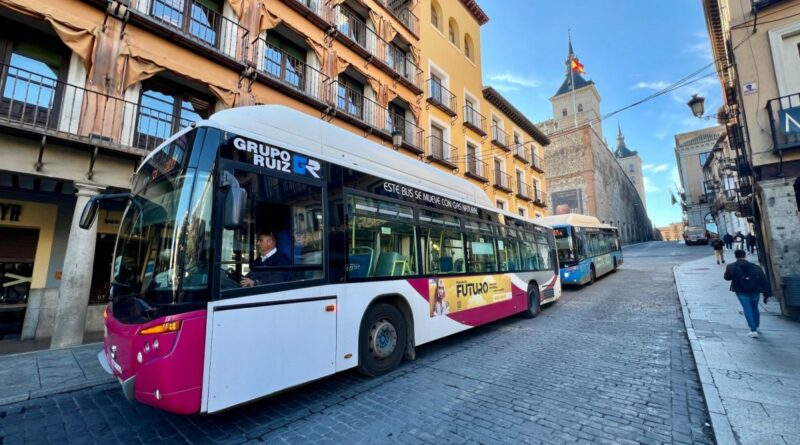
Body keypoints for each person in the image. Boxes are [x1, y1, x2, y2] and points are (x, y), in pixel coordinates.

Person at [724, 250, 770, 337]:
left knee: (747, 308)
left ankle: (753, 330)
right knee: (754, 307)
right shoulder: (756, 266)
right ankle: (756, 325)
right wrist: (766, 293)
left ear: (735, 256)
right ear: (745, 256)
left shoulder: (731, 266)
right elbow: (763, 280)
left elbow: (727, 277)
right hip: (755, 289)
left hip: (740, 290)